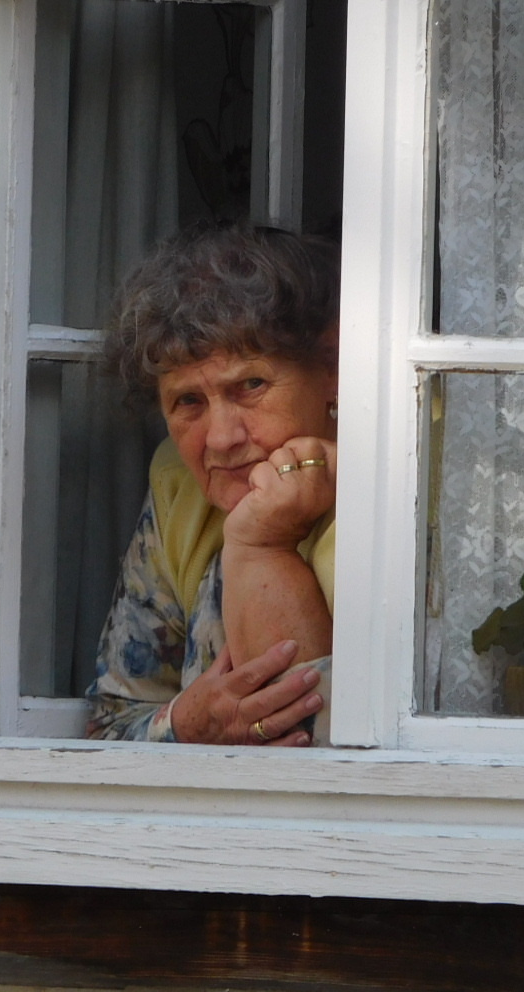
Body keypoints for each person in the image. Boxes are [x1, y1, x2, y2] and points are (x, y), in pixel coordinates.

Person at [87, 223, 339, 745]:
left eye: (251, 385)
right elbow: (111, 723)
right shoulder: (179, 484)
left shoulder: (396, 484)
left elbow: (319, 750)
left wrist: (263, 544)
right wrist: (185, 724)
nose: (222, 439)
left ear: (333, 368)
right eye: (188, 402)